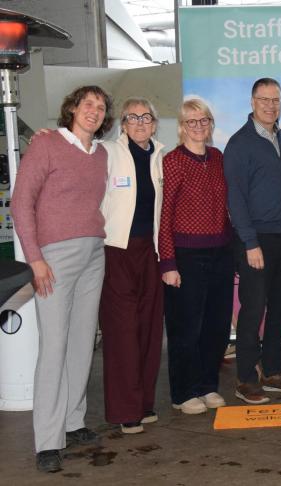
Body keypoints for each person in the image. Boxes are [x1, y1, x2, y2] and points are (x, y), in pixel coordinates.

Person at [12, 85, 113, 473]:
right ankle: (48, 441)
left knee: (81, 342)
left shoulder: (101, 154)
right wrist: (34, 260)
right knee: (54, 346)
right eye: (88, 104)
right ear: (72, 108)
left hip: (93, 254)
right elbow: (22, 201)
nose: (94, 110)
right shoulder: (48, 144)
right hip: (54, 257)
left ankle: (73, 422)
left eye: (101, 107)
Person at [223, 78, 281, 405]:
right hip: (255, 239)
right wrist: (249, 242)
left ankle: (273, 371)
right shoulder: (239, 143)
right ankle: (245, 378)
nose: (271, 105)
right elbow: (235, 198)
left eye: (276, 100)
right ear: (252, 101)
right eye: (264, 99)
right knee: (253, 309)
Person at [159, 98, 233, 415]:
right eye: (192, 121)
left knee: (215, 327)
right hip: (186, 255)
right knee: (186, 328)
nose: (198, 126)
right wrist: (168, 262)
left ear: (211, 125)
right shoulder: (173, 161)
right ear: (181, 127)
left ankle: (207, 385)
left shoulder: (217, 157)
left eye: (204, 120)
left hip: (220, 253)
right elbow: (164, 215)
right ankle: (183, 391)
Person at [99, 97, 166, 434]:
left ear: (154, 123)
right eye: (132, 117)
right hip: (117, 251)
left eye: (146, 117)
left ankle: (144, 403)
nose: (140, 122)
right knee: (122, 332)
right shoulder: (107, 153)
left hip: (150, 252)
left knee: (149, 330)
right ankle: (125, 410)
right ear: (122, 124)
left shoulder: (160, 156)